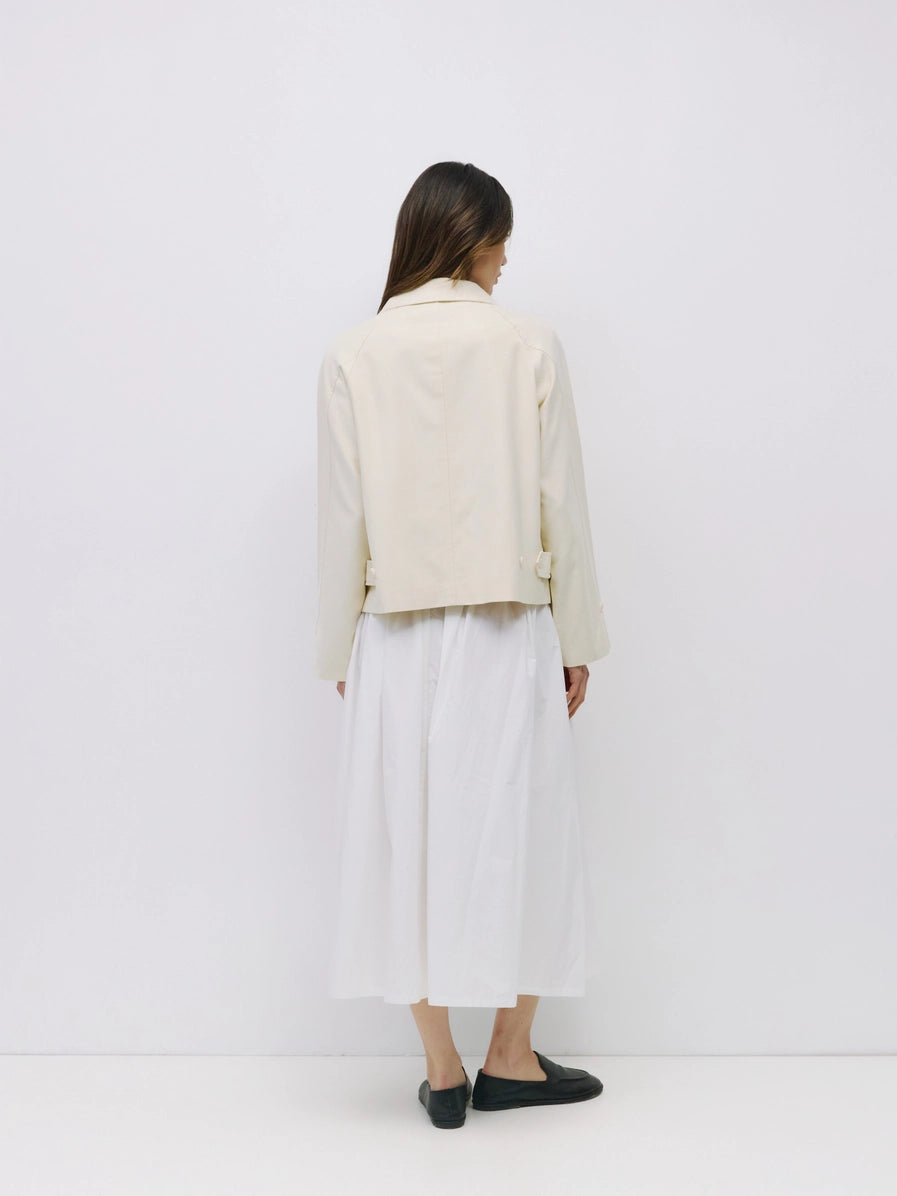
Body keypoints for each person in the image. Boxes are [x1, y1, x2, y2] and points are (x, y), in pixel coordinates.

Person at [314, 161, 611, 1128]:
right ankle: (509, 1056)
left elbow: (343, 520)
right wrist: (576, 637)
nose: (506, 259)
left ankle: (442, 1070)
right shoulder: (527, 345)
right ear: (473, 238)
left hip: (394, 630)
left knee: (405, 838)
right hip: (508, 622)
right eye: (502, 241)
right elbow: (561, 502)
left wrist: (340, 651)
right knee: (523, 830)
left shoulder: (354, 354)